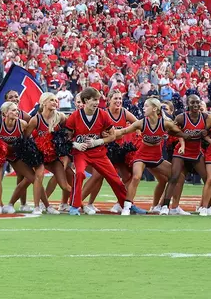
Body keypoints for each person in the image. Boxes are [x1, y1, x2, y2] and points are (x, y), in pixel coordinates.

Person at [115, 97, 185, 215]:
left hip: (156, 158)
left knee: (179, 177)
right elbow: (123, 131)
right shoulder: (142, 122)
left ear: (154, 109)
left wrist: (183, 144)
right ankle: (127, 207)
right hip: (141, 156)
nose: (143, 108)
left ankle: (167, 206)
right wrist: (109, 133)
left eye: (146, 106)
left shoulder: (165, 123)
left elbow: (179, 133)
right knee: (136, 177)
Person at [66, 87, 127, 216]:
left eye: (98, 100)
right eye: (94, 100)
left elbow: (113, 135)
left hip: (99, 152)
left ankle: (127, 204)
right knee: (79, 173)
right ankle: (74, 206)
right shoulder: (74, 116)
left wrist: (98, 141)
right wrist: (76, 144)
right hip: (81, 153)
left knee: (115, 179)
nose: (97, 103)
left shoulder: (103, 115)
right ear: (86, 100)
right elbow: (65, 138)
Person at [82, 91, 138, 214]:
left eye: (120, 99)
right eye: (115, 99)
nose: (118, 101)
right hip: (104, 149)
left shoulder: (124, 112)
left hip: (120, 150)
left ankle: (120, 203)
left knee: (128, 176)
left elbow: (138, 124)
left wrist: (131, 133)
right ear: (109, 100)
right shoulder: (104, 113)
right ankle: (79, 202)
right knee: (97, 176)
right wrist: (101, 134)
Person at [22, 93, 70, 215]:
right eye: (51, 100)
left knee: (64, 185)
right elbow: (26, 137)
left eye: (56, 100)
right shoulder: (36, 119)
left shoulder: (61, 117)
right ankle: (37, 207)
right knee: (39, 175)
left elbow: (69, 132)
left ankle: (79, 205)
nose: (55, 102)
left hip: (55, 156)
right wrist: (33, 150)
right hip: (40, 155)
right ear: (43, 103)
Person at [168, 94, 208, 215]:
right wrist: (183, 135)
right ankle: (169, 206)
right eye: (192, 102)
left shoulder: (206, 117)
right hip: (182, 152)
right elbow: (170, 131)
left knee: (208, 179)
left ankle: (204, 206)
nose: (195, 105)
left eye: (197, 102)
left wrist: (206, 133)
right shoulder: (181, 117)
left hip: (196, 153)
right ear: (187, 104)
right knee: (175, 178)